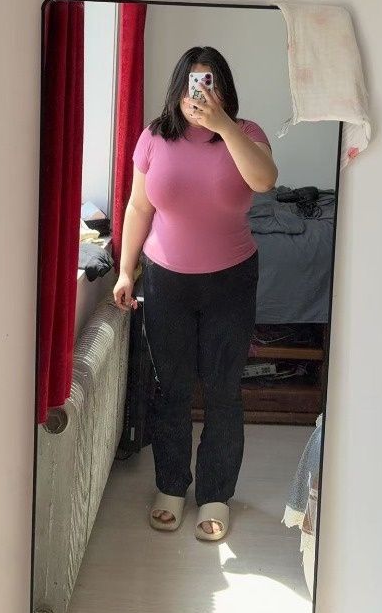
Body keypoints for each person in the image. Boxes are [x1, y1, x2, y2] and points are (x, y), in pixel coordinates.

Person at [113, 46, 278, 541]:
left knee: (224, 389)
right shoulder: (153, 137)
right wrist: (125, 271)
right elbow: (139, 207)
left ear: (224, 89)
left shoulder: (246, 134)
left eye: (211, 82)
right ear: (179, 88)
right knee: (172, 388)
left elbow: (265, 181)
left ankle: (215, 493)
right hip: (166, 280)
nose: (200, 93)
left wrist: (223, 125)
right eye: (193, 82)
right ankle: (170, 486)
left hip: (231, 280)